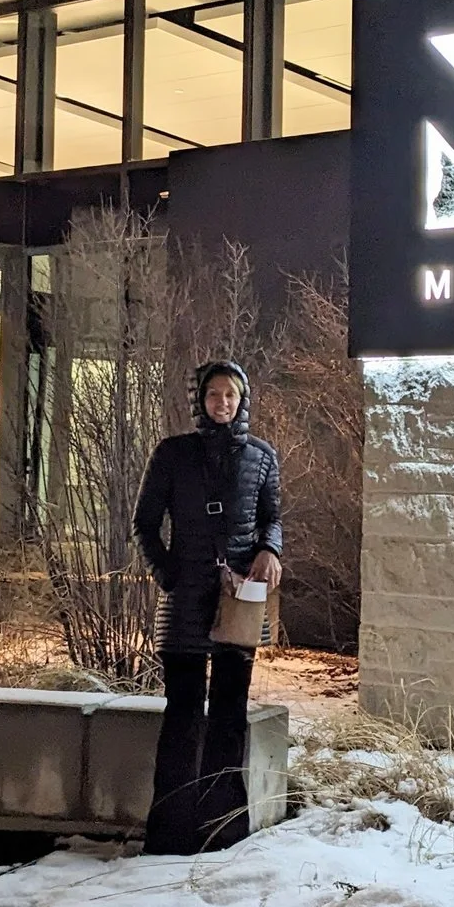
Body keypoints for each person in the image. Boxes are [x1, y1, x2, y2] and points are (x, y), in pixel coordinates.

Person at [134, 360, 283, 854]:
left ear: (243, 401)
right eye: (214, 394)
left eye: (232, 395)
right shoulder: (173, 454)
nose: (223, 403)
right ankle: (171, 833)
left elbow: (272, 518)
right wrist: (168, 573)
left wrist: (270, 550)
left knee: (228, 714)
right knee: (182, 714)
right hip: (184, 604)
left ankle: (222, 829)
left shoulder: (262, 458)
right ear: (200, 399)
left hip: (238, 601)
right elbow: (145, 523)